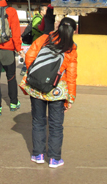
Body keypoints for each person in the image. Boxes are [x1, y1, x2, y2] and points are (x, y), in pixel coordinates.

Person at [21, 17, 77, 168]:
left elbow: (29, 56)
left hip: (37, 88)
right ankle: (54, 158)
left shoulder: (44, 39)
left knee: (38, 121)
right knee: (56, 125)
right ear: (73, 31)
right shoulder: (71, 48)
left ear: (58, 27)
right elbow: (71, 76)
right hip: (57, 91)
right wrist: (70, 98)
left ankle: (38, 154)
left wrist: (36, 74)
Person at [21, 5, 47, 76]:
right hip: (37, 40)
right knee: (33, 55)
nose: (46, 12)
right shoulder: (38, 19)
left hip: (38, 40)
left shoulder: (41, 18)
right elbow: (35, 29)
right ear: (41, 11)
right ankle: (25, 69)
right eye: (45, 10)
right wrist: (44, 33)